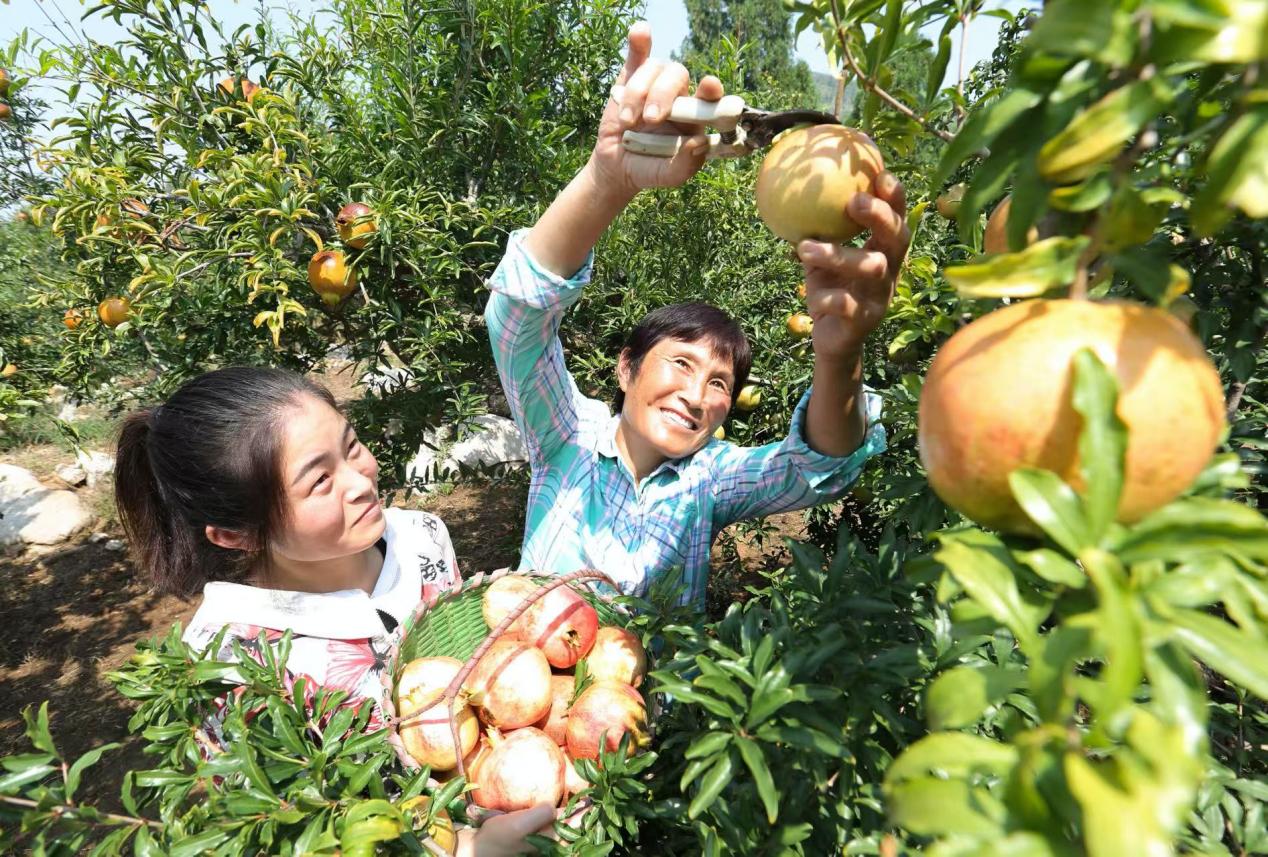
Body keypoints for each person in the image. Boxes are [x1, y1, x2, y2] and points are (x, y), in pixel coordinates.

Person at [485, 22, 909, 608]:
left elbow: (818, 466)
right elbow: (517, 320)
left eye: (718, 383)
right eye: (680, 363)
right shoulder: (565, 437)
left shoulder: (707, 481)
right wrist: (606, 181)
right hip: (528, 688)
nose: (695, 394)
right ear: (626, 368)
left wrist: (840, 356)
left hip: (647, 702)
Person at [114, 366, 552, 856]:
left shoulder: (422, 537)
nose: (360, 481)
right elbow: (288, 834)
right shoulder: (227, 668)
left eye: (351, 446)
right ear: (237, 534)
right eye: (320, 481)